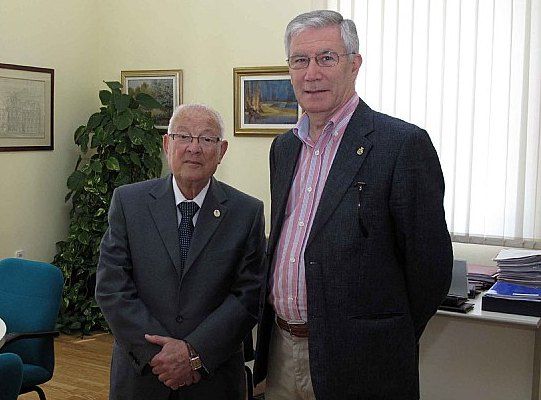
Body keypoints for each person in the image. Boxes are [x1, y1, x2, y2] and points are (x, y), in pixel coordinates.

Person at [253, 10, 453, 400]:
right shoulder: (284, 148)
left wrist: (385, 336)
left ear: (354, 64)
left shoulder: (401, 145)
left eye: (326, 58)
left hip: (362, 361)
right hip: (280, 350)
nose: (312, 73)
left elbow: (430, 268)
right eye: (300, 60)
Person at [95, 104, 266, 400]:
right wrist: (160, 355)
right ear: (166, 144)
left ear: (221, 150)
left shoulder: (246, 212)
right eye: (183, 136)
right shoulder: (129, 202)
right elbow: (112, 288)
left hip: (213, 378)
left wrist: (194, 354)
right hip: (143, 376)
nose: (194, 148)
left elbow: (249, 296)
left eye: (206, 139)